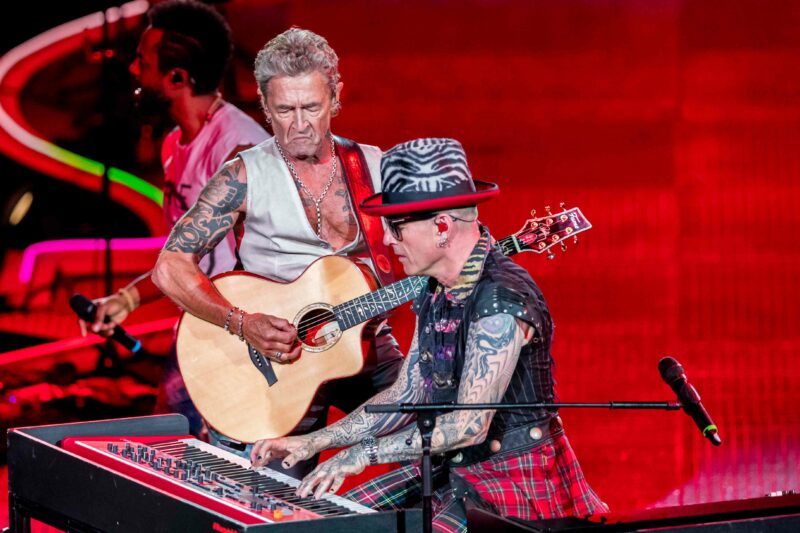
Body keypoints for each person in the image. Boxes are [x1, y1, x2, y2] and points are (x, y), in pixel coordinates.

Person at [249, 138, 608, 532]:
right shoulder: (436, 289)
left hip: (511, 480)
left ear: (441, 227)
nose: (388, 240)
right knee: (323, 523)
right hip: (451, 471)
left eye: (396, 227)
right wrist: (314, 442)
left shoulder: (500, 300)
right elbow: (405, 395)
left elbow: (468, 426)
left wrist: (362, 454)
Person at [151, 28, 404, 477]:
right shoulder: (244, 175)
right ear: (265, 107)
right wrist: (242, 323)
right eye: (284, 110)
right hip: (272, 362)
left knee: (441, 435)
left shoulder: (376, 167)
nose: (299, 124)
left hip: (363, 344)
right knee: (270, 500)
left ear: (335, 98)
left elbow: (432, 249)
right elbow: (169, 268)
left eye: (312, 107)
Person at [79, 0, 270, 437]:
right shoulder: (174, 145)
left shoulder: (240, 150)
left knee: (223, 464)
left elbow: (269, 268)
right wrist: (126, 300)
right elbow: (185, 257)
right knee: (166, 446)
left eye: (143, 62)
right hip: (198, 329)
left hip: (239, 341)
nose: (132, 70)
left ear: (178, 78)